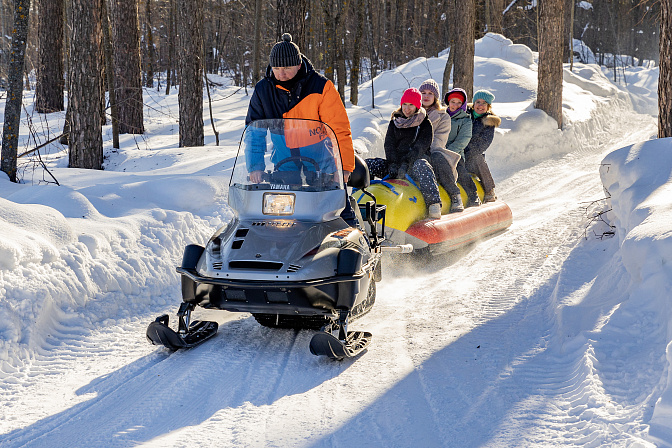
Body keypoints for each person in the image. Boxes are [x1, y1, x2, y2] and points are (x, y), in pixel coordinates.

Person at [245, 33, 357, 224]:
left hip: (320, 157)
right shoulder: (263, 89)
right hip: (284, 158)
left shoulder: (321, 87)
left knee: (335, 205)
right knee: (281, 211)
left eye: (287, 67)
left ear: (298, 64)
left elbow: (339, 129)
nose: (281, 73)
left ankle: (355, 237)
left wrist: (344, 166)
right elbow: (254, 131)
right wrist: (255, 166)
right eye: (277, 68)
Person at [366, 88, 442, 219]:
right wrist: (393, 164)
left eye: (411, 105)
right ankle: (364, 197)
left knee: (422, 164)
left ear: (417, 106)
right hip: (395, 166)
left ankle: (433, 203)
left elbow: (420, 147)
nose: (407, 108)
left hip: (413, 165)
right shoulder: (395, 122)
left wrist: (406, 163)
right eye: (405, 104)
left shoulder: (424, 123)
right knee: (368, 164)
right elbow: (389, 145)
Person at [418, 79, 463, 213]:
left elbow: (439, 141)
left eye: (430, 93)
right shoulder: (411, 112)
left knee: (437, 157)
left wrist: (420, 151)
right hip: (412, 154)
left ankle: (455, 195)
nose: (426, 96)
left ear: (435, 97)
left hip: (432, 153)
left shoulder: (443, 117)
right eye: (423, 92)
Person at [443, 87, 480, 207]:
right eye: (453, 102)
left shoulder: (465, 120)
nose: (455, 105)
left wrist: (448, 152)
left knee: (459, 169)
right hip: (438, 151)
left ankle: (473, 194)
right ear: (448, 102)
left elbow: (463, 140)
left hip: (456, 153)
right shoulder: (441, 116)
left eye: (459, 103)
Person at [465, 89, 501, 202]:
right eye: (478, 102)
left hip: (471, 157)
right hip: (457, 151)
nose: (480, 106)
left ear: (488, 106)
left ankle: (489, 189)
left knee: (478, 158)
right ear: (473, 103)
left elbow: (484, 143)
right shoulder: (465, 115)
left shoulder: (489, 121)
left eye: (484, 103)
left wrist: (468, 153)